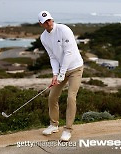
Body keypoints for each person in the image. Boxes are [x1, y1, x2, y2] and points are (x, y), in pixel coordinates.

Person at [38, 10, 84, 141]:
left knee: (71, 97)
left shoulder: (64, 29)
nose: (48, 23)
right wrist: (55, 75)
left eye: (49, 20)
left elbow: (69, 53)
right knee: (52, 97)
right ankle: (54, 125)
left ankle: (68, 129)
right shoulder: (44, 38)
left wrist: (61, 73)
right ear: (40, 24)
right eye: (45, 22)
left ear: (52, 19)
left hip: (75, 68)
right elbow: (52, 57)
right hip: (61, 71)